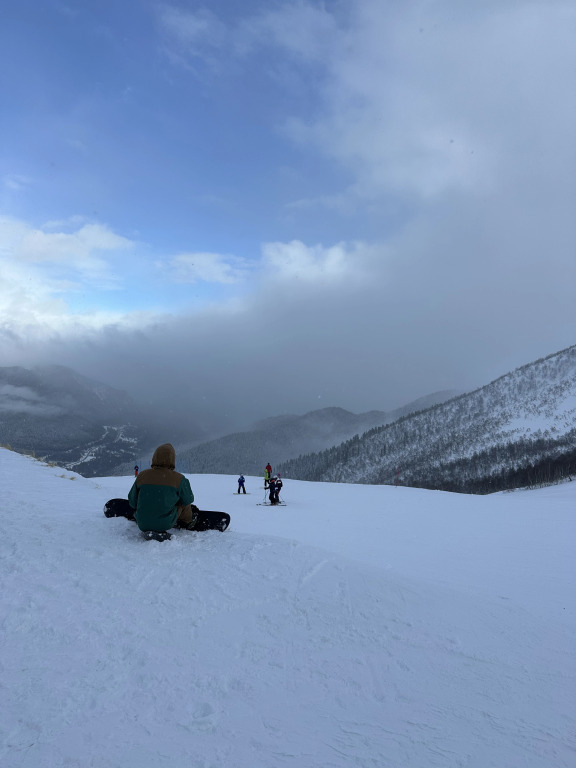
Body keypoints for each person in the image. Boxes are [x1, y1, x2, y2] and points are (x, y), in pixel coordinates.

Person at [128, 443, 197, 533]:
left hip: (142, 523)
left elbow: (132, 501)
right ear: (172, 459)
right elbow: (188, 499)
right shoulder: (179, 478)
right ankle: (187, 523)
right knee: (185, 503)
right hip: (166, 523)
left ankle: (147, 516)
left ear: (155, 457)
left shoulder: (142, 475)